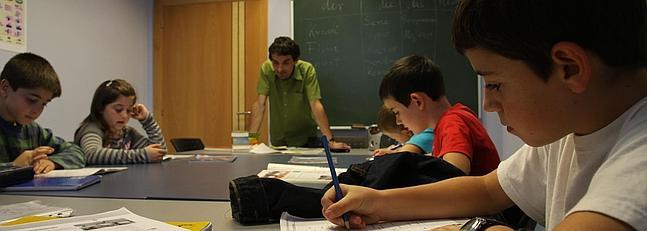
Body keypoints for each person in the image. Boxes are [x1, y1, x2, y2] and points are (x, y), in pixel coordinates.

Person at [321, 0, 647, 230]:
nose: (488, 104)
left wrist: (478, 230)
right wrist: (376, 202)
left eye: (495, 84)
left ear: (570, 68)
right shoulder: (576, 126)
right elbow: (488, 190)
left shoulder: (639, 159)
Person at [377, 55, 499, 176]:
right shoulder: (455, 117)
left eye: (397, 112)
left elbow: (453, 174)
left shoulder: (453, 123)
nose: (398, 121)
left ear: (417, 101)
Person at [249, 36, 350, 150]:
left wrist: (330, 141)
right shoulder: (266, 69)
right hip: (278, 141)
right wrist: (252, 140)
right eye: (275, 63)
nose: (280, 69)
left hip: (305, 140)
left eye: (286, 63)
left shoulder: (307, 70)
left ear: (295, 61)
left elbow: (315, 105)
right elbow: (259, 104)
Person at [0, 52, 85, 174]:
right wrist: (13, 166)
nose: (37, 111)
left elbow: (76, 151)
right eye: (32, 100)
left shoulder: (33, 130)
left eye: (44, 104)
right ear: (5, 88)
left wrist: (52, 162)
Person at [74, 79, 167, 165]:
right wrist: (142, 155)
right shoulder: (91, 129)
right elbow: (92, 154)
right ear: (100, 108)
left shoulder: (128, 133)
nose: (124, 116)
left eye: (129, 110)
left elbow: (158, 151)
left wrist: (147, 121)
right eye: (118, 109)